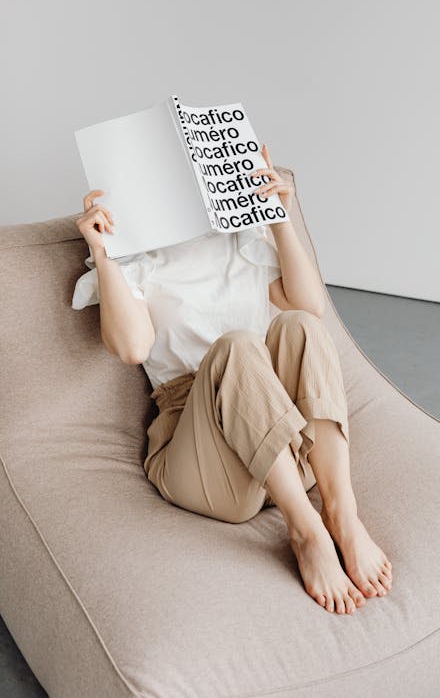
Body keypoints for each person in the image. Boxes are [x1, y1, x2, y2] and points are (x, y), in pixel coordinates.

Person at [72, 144, 393, 616]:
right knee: (239, 346)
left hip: (284, 450)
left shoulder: (237, 242)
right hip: (205, 464)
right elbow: (131, 348)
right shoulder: (135, 262)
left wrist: (278, 217)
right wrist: (104, 254)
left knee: (299, 324)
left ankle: (342, 515)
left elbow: (310, 306)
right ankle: (305, 530)